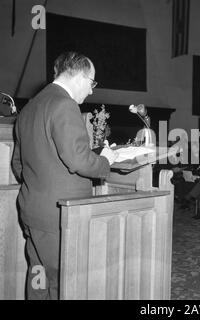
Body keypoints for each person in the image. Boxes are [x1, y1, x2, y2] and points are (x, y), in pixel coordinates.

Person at [11, 51, 119, 299]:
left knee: (38, 277)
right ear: (79, 77)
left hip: (32, 209)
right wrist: (105, 161)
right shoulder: (64, 104)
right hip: (59, 215)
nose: (91, 91)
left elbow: (19, 164)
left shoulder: (29, 108)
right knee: (64, 283)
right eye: (92, 82)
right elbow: (78, 159)